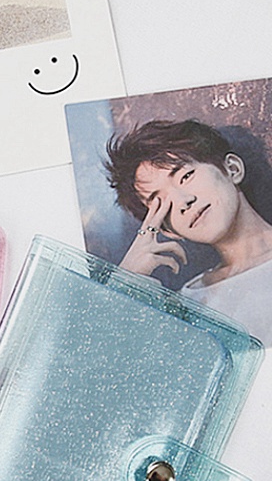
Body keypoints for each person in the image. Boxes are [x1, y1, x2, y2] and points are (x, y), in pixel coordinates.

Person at [105, 119, 272, 344]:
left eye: (186, 176)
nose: (184, 202)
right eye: (161, 202)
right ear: (167, 230)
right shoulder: (188, 306)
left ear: (232, 169)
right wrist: (123, 284)